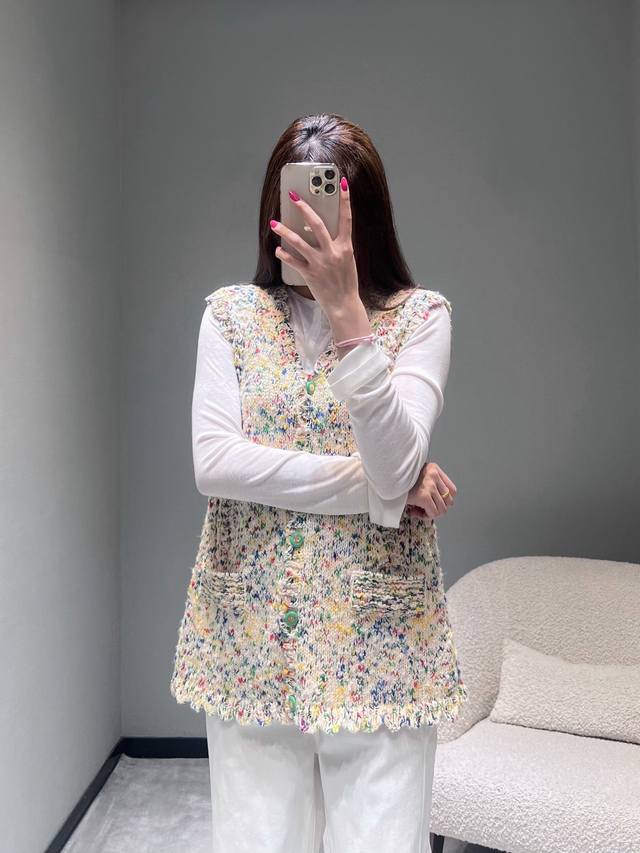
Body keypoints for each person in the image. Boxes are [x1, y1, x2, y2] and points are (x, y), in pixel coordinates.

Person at [170, 112, 468, 853]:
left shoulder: (420, 318)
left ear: (367, 218)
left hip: (382, 643)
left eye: (329, 206)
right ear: (273, 212)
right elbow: (216, 463)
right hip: (251, 636)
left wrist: (347, 315)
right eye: (296, 203)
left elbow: (394, 463)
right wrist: (381, 491)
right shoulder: (232, 316)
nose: (313, 224)